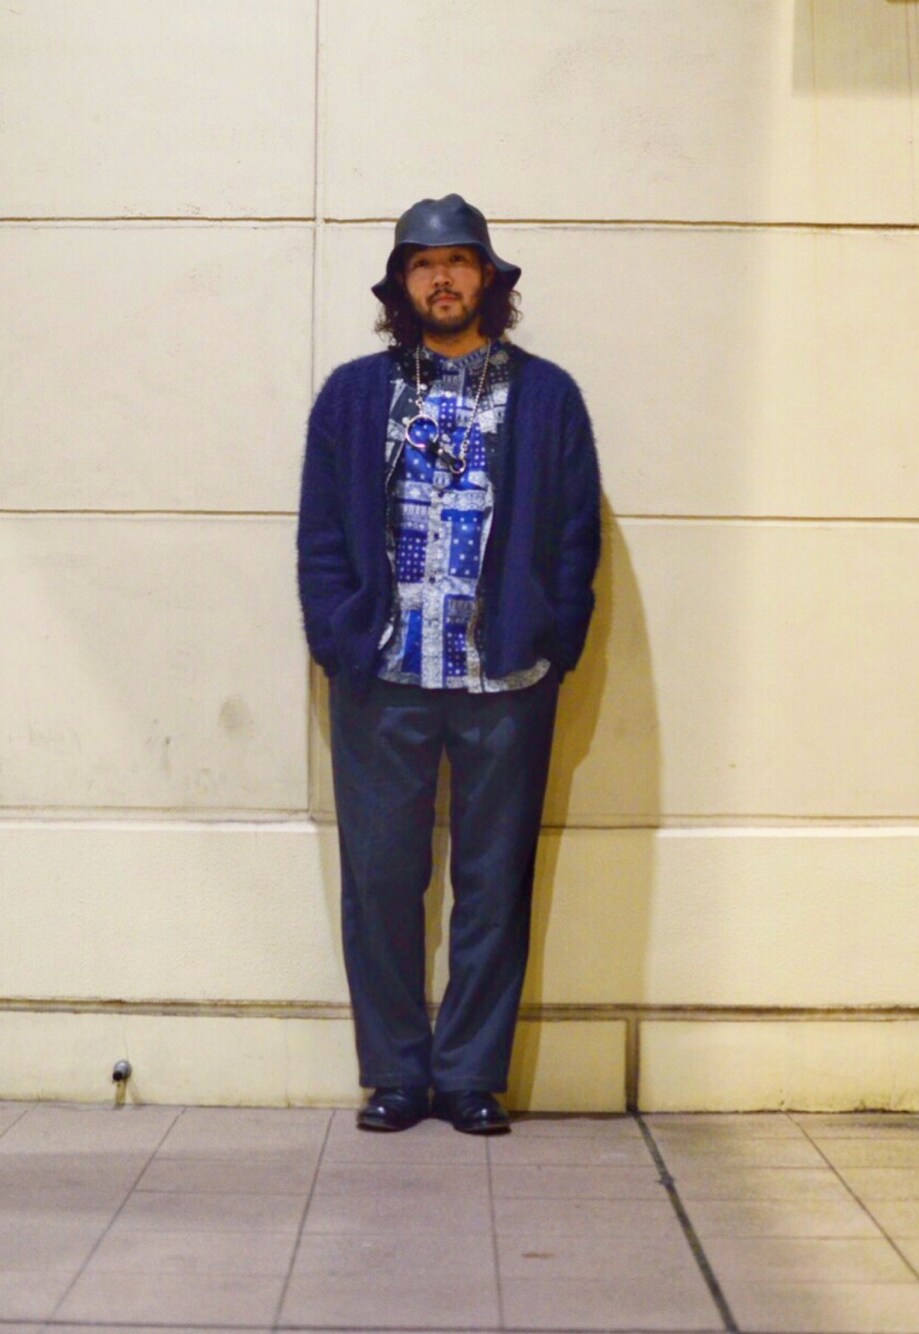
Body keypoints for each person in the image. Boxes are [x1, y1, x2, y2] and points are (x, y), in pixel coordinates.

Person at [297, 193, 600, 1134]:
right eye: (424, 264)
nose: (443, 278)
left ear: (488, 279)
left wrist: (553, 643)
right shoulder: (354, 395)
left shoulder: (547, 396)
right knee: (381, 882)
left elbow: (576, 535)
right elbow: (320, 534)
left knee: (494, 883)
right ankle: (395, 1072)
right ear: (401, 286)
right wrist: (339, 638)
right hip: (383, 674)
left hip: (504, 676)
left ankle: (471, 1076)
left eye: (460, 261)